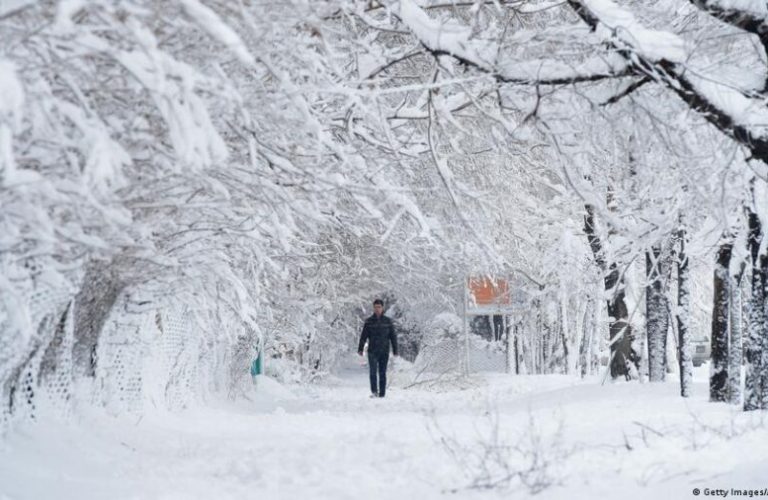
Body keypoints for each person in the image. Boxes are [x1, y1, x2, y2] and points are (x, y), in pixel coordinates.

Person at [358, 299, 397, 398]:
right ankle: (374, 392)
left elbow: (393, 336)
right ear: (373, 308)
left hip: (384, 351)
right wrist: (360, 348)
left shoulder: (388, 321)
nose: (377, 309)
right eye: (375, 307)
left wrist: (395, 350)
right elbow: (363, 336)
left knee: (382, 372)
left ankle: (382, 393)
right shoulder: (369, 321)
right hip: (372, 351)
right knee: (373, 372)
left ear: (382, 308)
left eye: (379, 307)